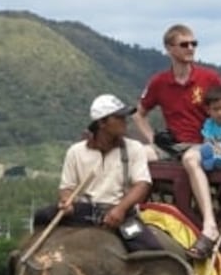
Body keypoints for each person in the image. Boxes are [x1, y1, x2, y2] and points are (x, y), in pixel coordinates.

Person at [133, 24, 221, 260]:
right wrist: (153, 139)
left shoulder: (208, 78)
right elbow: (138, 114)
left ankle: (209, 226)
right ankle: (130, 212)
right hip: (172, 146)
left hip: (205, 144)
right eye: (184, 44)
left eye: (194, 43)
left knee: (190, 158)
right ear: (169, 48)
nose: (191, 48)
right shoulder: (160, 82)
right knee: (136, 153)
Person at [33, 93, 157, 250]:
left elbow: (142, 184)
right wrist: (66, 201)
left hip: (121, 213)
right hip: (83, 212)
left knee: (153, 250)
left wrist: (120, 210)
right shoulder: (75, 151)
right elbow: (67, 187)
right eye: (118, 117)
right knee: (41, 216)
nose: (124, 121)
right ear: (102, 123)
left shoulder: (134, 148)